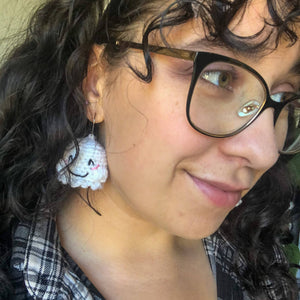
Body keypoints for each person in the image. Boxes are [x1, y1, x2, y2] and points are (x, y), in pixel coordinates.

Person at [0, 0, 299, 299]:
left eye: (284, 96)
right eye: (218, 77)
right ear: (96, 82)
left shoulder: (253, 239)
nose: (265, 153)